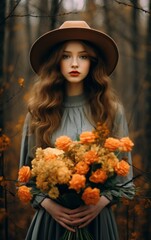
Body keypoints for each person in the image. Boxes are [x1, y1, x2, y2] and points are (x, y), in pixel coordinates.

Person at [19, 20, 135, 240]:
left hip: (97, 223)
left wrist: (98, 204)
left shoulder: (111, 111)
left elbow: (125, 182)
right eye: (66, 56)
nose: (74, 63)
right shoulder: (38, 113)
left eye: (82, 56)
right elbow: (25, 180)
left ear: (92, 62)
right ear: (56, 62)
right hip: (50, 223)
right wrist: (51, 206)